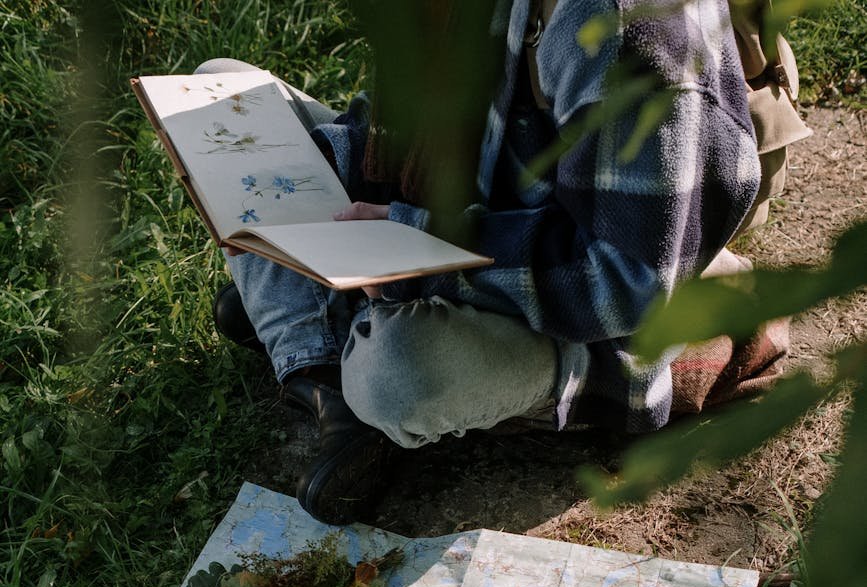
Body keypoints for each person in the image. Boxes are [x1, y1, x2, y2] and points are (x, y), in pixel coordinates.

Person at [204, 0, 764, 525]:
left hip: (593, 309)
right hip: (480, 211)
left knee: (397, 376)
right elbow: (420, 116)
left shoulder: (617, 23)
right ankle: (325, 375)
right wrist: (321, 167)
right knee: (216, 91)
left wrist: (419, 256)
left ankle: (323, 330)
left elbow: (625, 281)